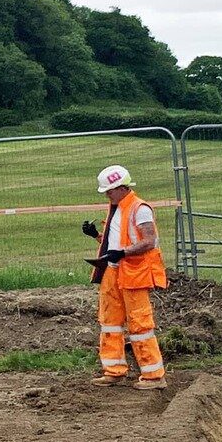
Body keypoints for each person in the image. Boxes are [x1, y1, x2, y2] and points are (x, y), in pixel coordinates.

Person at [82, 164, 167, 389]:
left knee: (140, 325)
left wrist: (123, 253)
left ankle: (154, 376)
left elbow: (149, 241)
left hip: (134, 273)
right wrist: (97, 236)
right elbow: (116, 243)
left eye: (109, 191)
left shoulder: (140, 209)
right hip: (113, 270)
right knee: (110, 322)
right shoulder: (117, 208)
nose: (107, 195)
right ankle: (114, 371)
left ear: (121, 187)